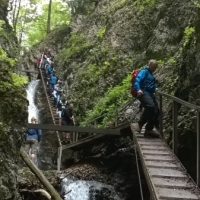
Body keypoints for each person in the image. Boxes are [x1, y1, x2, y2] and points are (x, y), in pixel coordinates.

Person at [134, 59, 159, 137]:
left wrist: (155, 88)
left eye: (155, 67)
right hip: (144, 93)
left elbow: (150, 83)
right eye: (153, 66)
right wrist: (138, 90)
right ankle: (140, 124)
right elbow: (137, 81)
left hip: (151, 94)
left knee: (157, 111)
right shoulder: (144, 71)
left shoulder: (150, 74)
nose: (154, 68)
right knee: (150, 107)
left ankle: (148, 129)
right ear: (149, 64)